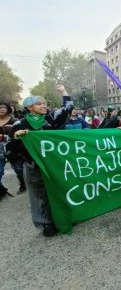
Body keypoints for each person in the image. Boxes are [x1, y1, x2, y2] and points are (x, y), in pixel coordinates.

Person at [8, 85, 73, 237]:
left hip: (54, 164)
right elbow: (10, 150)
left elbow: (67, 108)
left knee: (58, 190)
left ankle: (63, 218)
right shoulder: (20, 124)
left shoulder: (51, 119)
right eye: (39, 104)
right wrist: (17, 138)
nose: (44, 106)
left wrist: (63, 91)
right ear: (29, 108)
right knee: (38, 194)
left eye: (44, 103)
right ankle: (46, 223)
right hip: (33, 166)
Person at [0, 102, 26, 198]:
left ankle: (23, 184)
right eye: (0, 108)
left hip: (13, 148)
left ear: (8, 109)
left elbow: (17, 135)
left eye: (4, 107)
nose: (2, 109)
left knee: (19, 169)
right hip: (0, 149)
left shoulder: (15, 121)